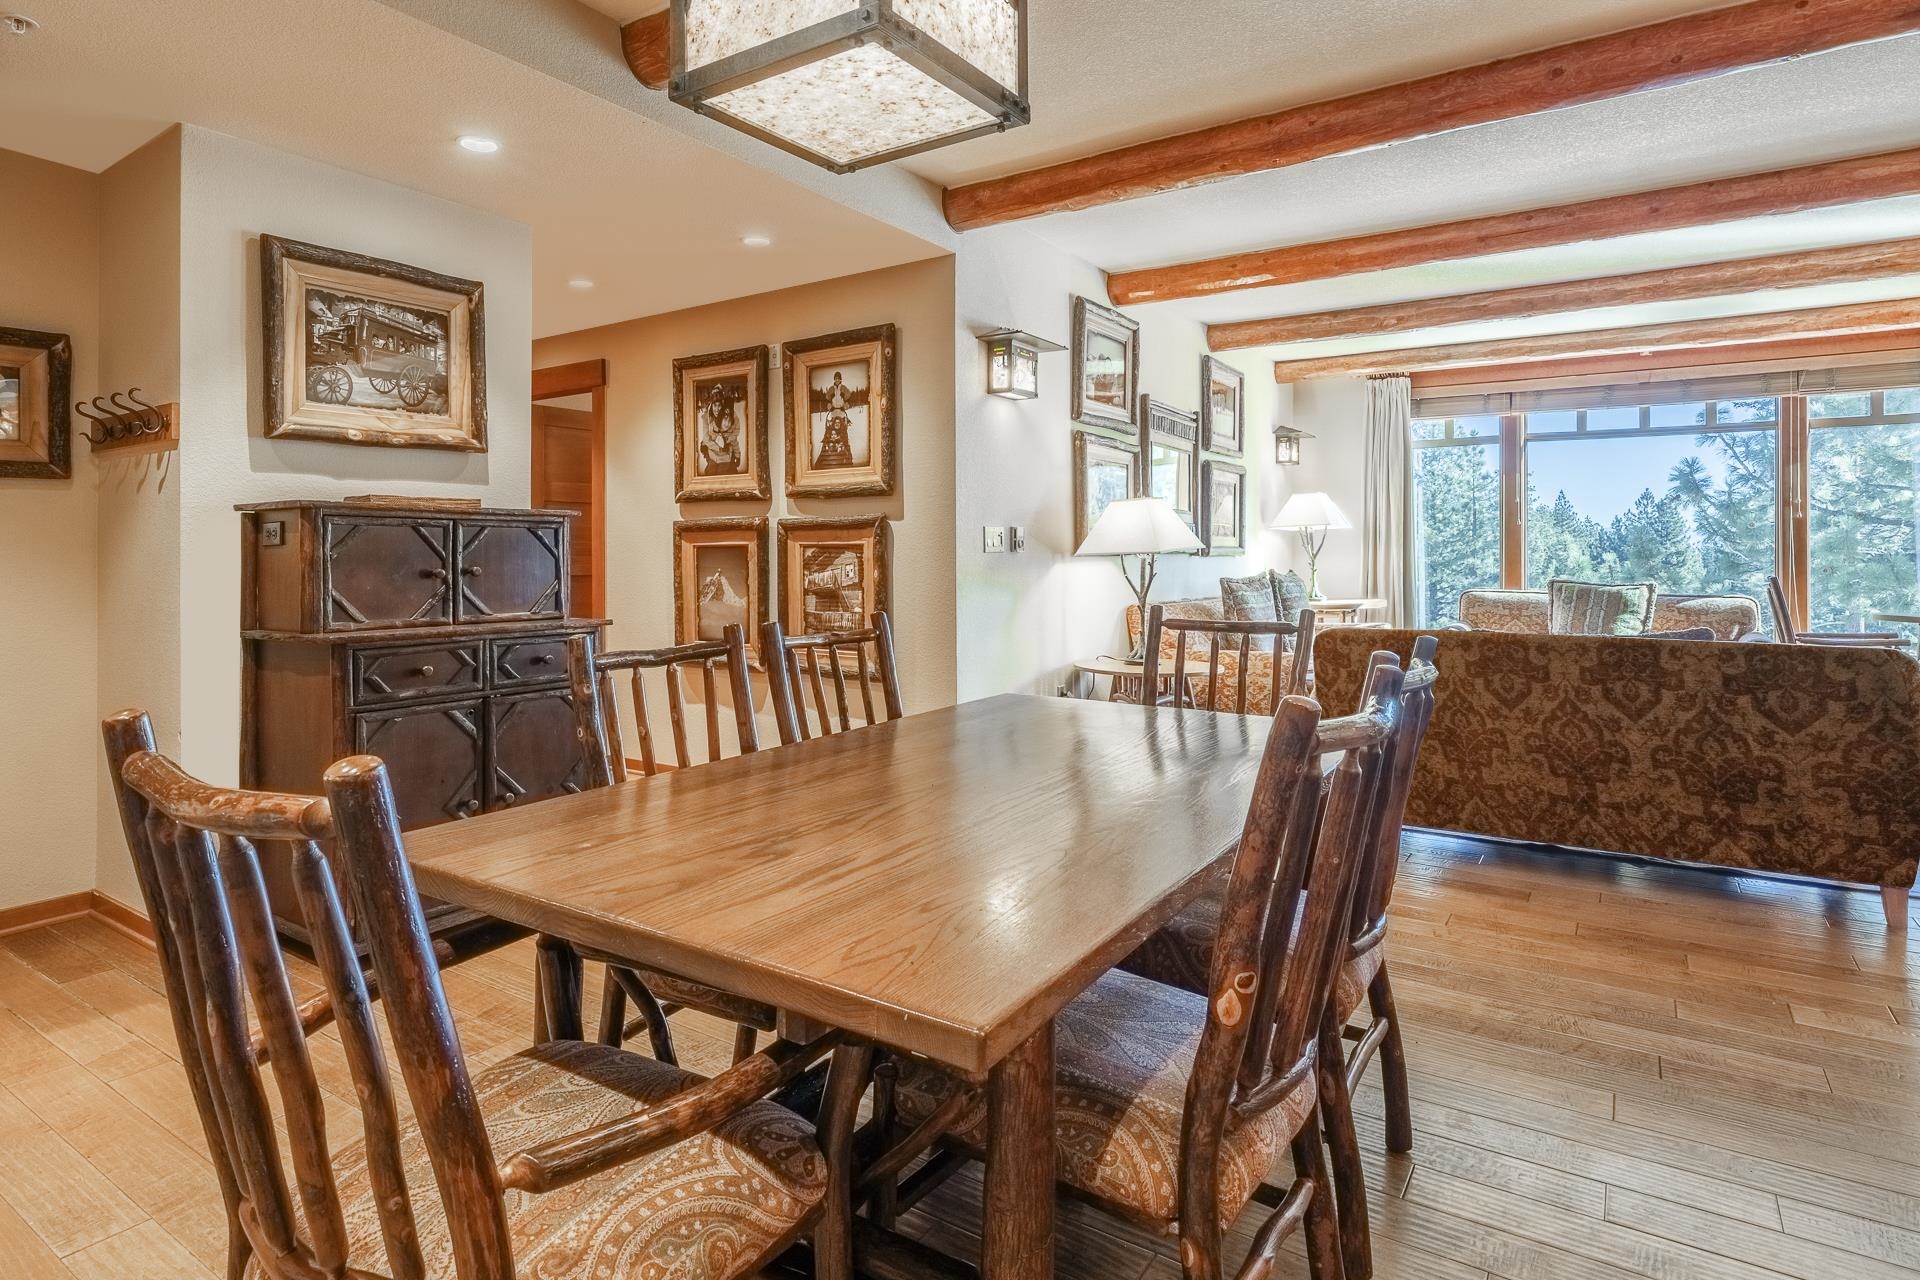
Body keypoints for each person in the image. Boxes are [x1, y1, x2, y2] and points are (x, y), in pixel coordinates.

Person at [816, 371, 855, 468]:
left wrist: (846, 404)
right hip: (833, 413)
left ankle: (845, 452)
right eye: (836, 378)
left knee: (842, 431)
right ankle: (832, 451)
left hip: (841, 413)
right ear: (834, 379)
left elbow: (849, 397)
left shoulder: (844, 388)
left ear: (840, 379)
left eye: (838, 378)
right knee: (832, 431)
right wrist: (829, 405)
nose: (837, 380)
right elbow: (827, 399)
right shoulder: (831, 389)